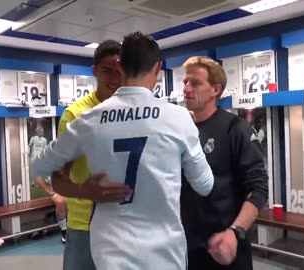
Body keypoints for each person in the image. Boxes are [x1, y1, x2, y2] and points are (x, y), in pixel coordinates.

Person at [32, 31, 214, 270]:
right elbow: (205, 185)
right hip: (164, 251)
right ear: (158, 67)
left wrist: (84, 189)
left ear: (121, 64)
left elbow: (39, 165)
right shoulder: (178, 117)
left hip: (109, 249)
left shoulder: (90, 119)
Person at [180, 56, 268, 270]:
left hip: (226, 248)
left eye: (196, 83)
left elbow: (258, 189)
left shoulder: (236, 129)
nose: (187, 88)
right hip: (186, 249)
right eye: (185, 82)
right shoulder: (180, 129)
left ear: (215, 90)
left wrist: (235, 232)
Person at [50, 39, 130, 270]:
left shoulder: (135, 110)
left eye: (120, 71)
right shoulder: (76, 115)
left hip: (127, 221)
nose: (114, 78)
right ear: (94, 70)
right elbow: (58, 179)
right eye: (107, 70)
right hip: (87, 224)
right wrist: (84, 190)